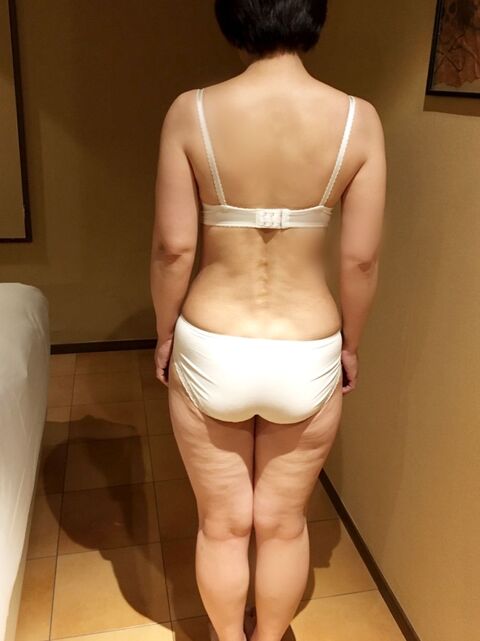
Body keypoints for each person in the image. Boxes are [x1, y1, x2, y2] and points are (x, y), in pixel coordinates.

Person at [150, 1, 386, 640]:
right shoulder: (358, 120)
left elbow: (173, 249)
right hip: (306, 346)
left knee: (222, 524)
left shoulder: (191, 112)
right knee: (283, 524)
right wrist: (352, 346)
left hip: (212, 341)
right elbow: (360, 261)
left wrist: (166, 333)